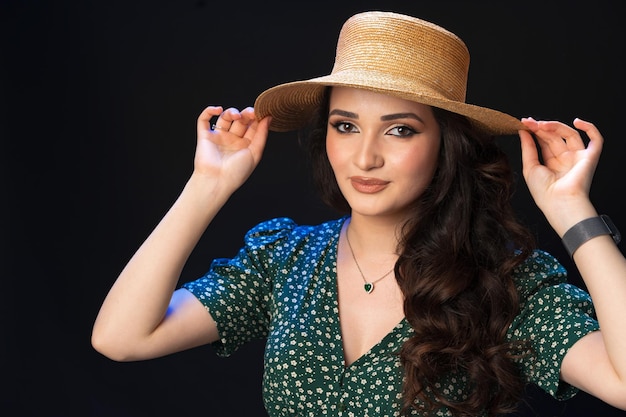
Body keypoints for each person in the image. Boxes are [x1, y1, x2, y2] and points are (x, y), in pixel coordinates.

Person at [91, 10, 626, 417]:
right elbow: (121, 338)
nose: (365, 156)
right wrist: (206, 186)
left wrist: (571, 210)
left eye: (400, 129)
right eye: (345, 125)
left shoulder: (503, 279)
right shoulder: (283, 258)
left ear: (448, 143)